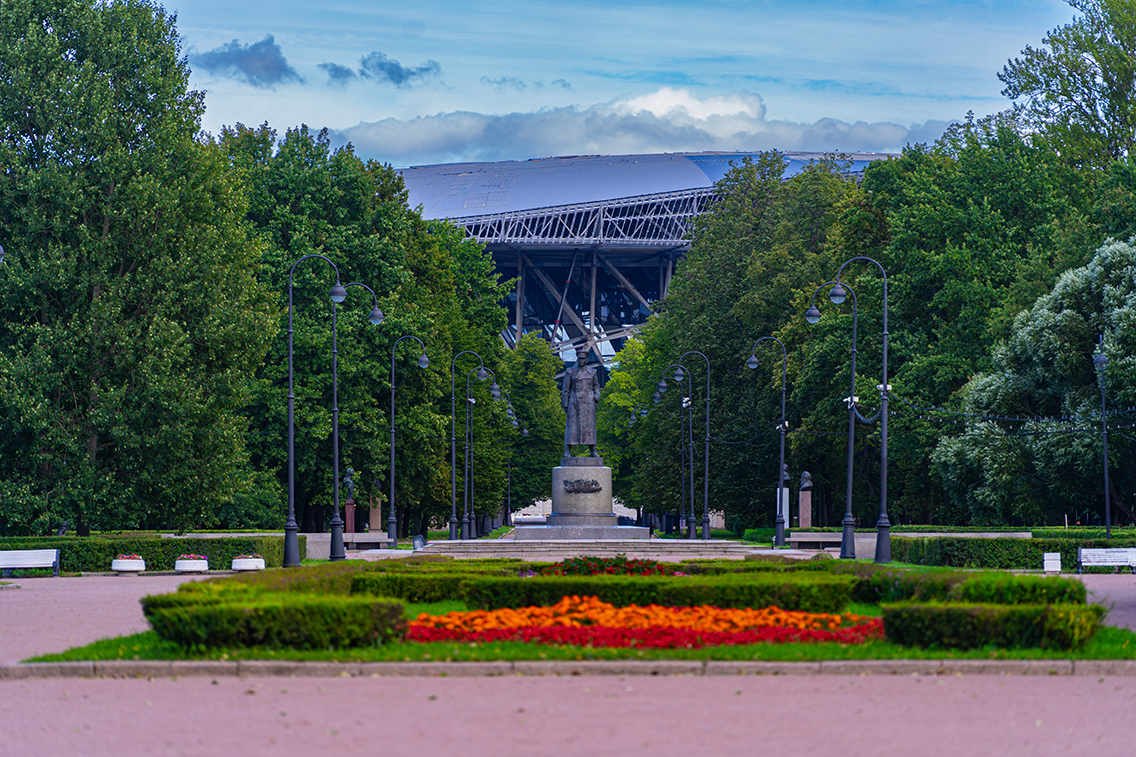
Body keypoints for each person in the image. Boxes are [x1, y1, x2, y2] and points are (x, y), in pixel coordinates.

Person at [562, 350, 602, 457]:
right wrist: (565, 404)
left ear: (587, 360)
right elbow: (565, 389)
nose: (581, 360)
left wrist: (597, 395)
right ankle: (567, 450)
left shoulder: (592, 372)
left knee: (590, 426)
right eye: (579, 358)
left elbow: (596, 385)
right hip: (574, 401)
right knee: (571, 427)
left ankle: (593, 450)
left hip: (589, 402)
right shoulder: (570, 371)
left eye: (583, 359)